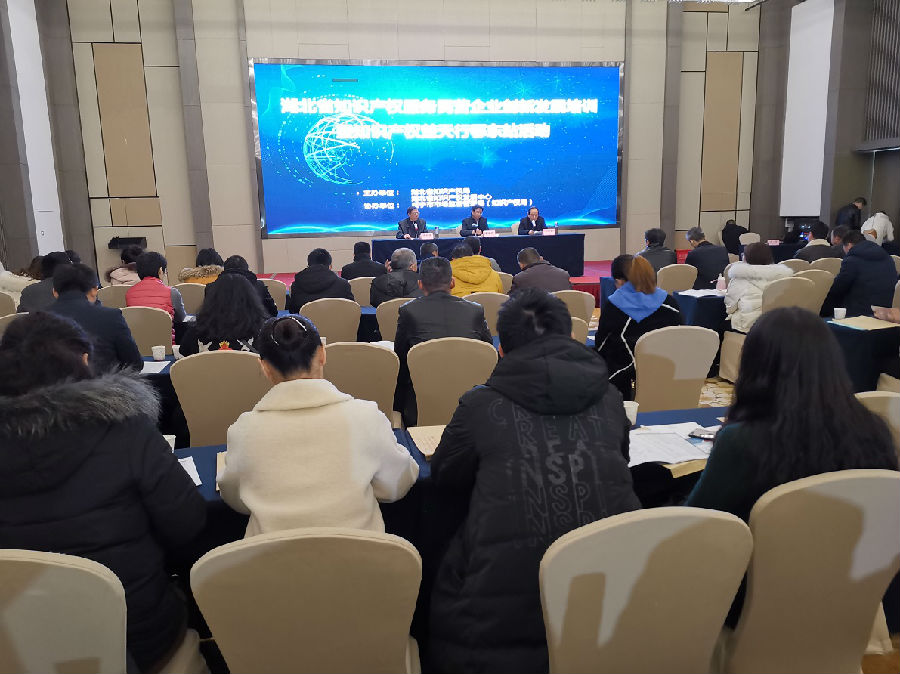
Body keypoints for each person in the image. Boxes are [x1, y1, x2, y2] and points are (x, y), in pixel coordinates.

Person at [428, 289, 641, 674]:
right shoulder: (610, 398)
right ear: (571, 337)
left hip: (491, 629)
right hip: (613, 603)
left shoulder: (480, 405)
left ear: (502, 349)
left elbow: (444, 477)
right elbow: (622, 462)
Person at [0, 312, 207, 673]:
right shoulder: (125, 429)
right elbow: (187, 524)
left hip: (19, 645)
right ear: (83, 359)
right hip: (137, 637)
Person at [685, 307, 898, 627]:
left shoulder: (742, 441)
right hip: (851, 596)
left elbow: (696, 524)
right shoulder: (874, 431)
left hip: (754, 605)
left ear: (755, 367)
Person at [218, 315, 418, 537]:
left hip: (273, 557)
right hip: (359, 555)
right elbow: (398, 484)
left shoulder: (244, 431)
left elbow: (235, 498)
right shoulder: (366, 416)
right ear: (322, 354)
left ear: (264, 367)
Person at [394, 257, 492, 425]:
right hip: (473, 404)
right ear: (452, 282)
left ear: (420, 284)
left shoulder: (408, 311)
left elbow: (400, 358)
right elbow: (488, 353)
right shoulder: (475, 310)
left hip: (422, 405)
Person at [595, 255, 683, 401]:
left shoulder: (615, 306)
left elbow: (601, 343)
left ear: (619, 281)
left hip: (624, 369)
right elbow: (680, 332)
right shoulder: (670, 302)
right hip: (666, 363)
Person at [48, 263, 142, 371]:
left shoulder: (37, 319)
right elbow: (134, 364)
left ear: (55, 292)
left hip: (51, 382)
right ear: (94, 290)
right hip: (104, 381)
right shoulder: (110, 317)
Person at [179, 274, 269, 356]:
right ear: (252, 302)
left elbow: (183, 354)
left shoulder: (195, 333)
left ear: (211, 301)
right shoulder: (263, 335)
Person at [824, 230, 897, 317]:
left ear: (849, 245)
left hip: (859, 313)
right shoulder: (888, 258)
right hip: (886, 311)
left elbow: (838, 288)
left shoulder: (852, 260)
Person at [724, 242, 792, 333]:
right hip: (777, 325)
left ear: (746, 258)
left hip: (748, 326)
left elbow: (730, 307)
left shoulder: (739, 278)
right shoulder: (783, 277)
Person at [287, 248, 354, 313]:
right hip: (338, 320)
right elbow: (352, 309)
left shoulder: (296, 286)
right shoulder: (343, 285)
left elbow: (293, 311)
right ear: (330, 266)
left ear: (309, 265)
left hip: (307, 321)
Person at [126, 252, 187, 323]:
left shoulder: (129, 292)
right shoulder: (172, 292)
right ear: (160, 271)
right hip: (164, 330)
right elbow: (182, 318)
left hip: (137, 330)